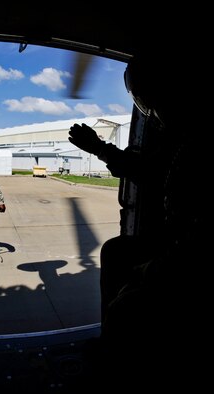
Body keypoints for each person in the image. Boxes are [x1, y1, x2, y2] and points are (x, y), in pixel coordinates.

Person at [69, 50, 208, 390]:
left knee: (126, 310)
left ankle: (117, 371)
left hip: (192, 255)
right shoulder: (182, 140)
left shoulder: (196, 142)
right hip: (177, 244)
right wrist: (100, 148)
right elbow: (146, 168)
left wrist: (154, 270)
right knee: (116, 251)